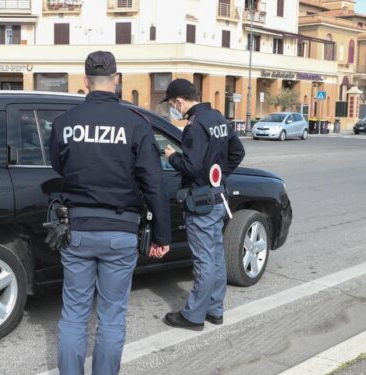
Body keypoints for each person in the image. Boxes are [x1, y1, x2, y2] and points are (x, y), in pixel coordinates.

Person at [49, 51, 172, 375]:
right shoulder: (135, 123)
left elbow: (58, 166)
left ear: (85, 81)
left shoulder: (64, 123)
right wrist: (161, 235)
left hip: (77, 230)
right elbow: (154, 183)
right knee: (112, 316)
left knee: (74, 314)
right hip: (120, 231)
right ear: (117, 80)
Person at [162, 78, 245, 330]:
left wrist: (172, 156)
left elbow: (191, 166)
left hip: (200, 201)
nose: (173, 108)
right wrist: (217, 176)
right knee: (216, 256)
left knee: (204, 260)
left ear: (178, 101)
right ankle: (214, 310)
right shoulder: (219, 118)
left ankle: (193, 316)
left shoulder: (195, 125)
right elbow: (237, 153)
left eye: (172, 104)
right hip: (218, 197)